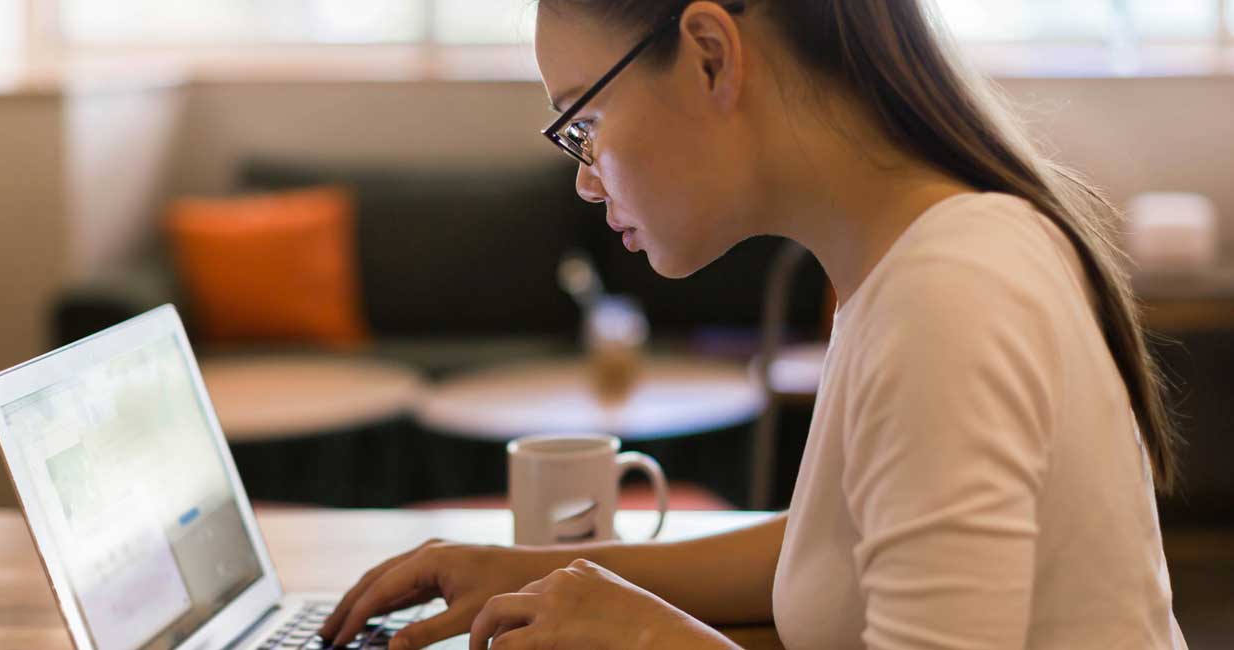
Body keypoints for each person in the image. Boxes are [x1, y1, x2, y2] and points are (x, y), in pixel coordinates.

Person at [320, 1, 1189, 648]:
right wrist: (534, 572)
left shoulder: (949, 291)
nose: (586, 179)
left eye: (585, 118)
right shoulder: (907, 263)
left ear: (708, 56)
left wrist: (652, 636)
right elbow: (838, 551)